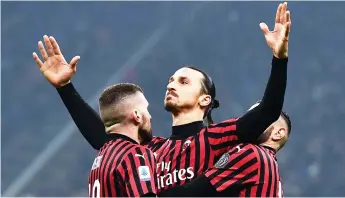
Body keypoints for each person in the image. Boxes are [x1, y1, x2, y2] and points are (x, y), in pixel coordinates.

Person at [36, 2, 291, 192]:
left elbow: (267, 112)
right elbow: (105, 138)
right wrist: (65, 87)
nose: (171, 85)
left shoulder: (218, 139)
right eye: (170, 80)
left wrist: (279, 59)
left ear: (205, 100)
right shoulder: (151, 149)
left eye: (183, 81)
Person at [33, 37, 158, 197]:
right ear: (136, 116)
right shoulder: (135, 155)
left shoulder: (105, 156)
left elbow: (102, 138)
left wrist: (65, 88)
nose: (151, 115)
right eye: (146, 109)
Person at [160, 104, 292, 197]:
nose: (252, 123)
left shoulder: (252, 154)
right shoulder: (271, 168)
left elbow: (197, 191)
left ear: (278, 133)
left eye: (262, 120)